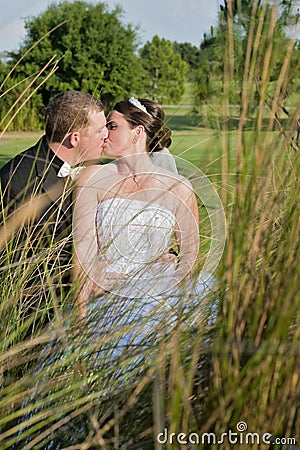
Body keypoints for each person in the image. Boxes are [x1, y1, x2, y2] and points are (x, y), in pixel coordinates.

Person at [74, 97, 216, 349]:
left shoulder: (179, 188)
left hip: (159, 294)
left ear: (137, 133)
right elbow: (82, 254)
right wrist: (80, 320)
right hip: (107, 295)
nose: (105, 133)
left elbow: (190, 258)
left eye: (113, 126)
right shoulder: (92, 178)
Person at [0, 90, 108, 332]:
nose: (106, 136)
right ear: (75, 138)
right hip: (36, 316)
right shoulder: (15, 179)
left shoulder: (100, 171)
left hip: (96, 302)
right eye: (100, 130)